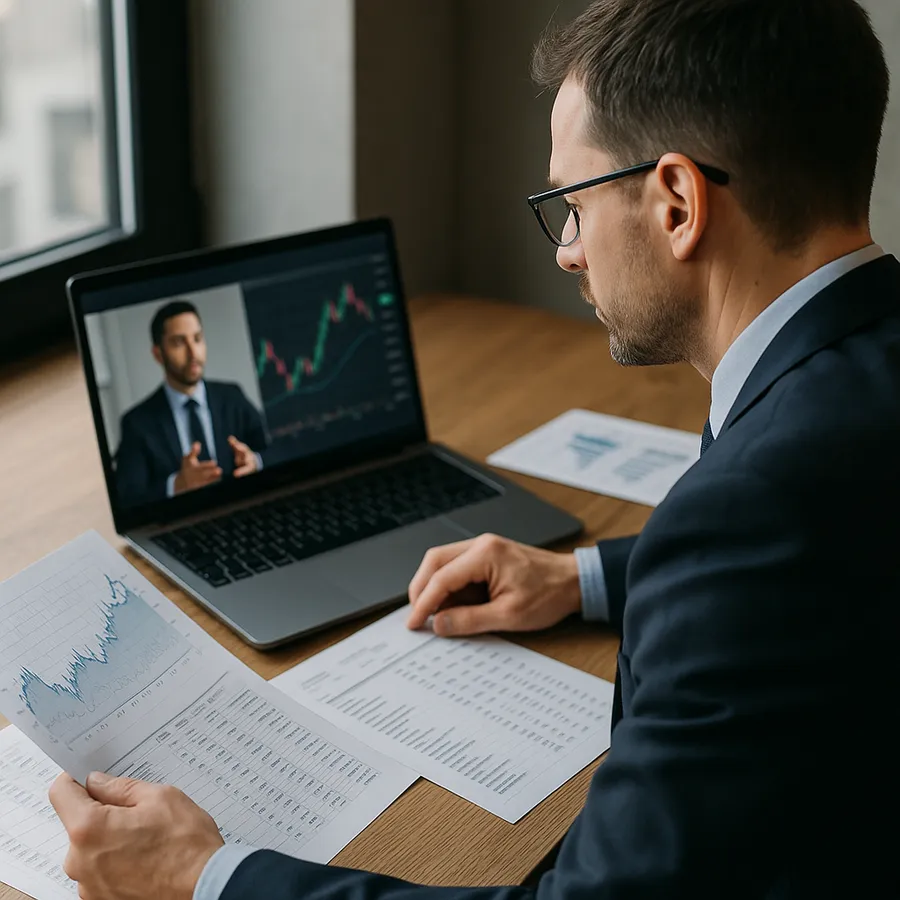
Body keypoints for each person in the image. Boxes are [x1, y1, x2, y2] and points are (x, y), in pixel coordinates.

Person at [49, 0, 897, 897]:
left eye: (572, 205)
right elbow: (818, 555)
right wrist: (584, 577)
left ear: (678, 203)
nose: (568, 253)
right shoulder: (845, 389)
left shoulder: (751, 509)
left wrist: (206, 877)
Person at [114, 300, 268, 508]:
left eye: (197, 339)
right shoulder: (137, 423)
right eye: (178, 343)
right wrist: (178, 485)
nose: (193, 352)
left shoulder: (232, 396)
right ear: (158, 354)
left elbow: (275, 450)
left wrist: (254, 461)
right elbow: (128, 498)